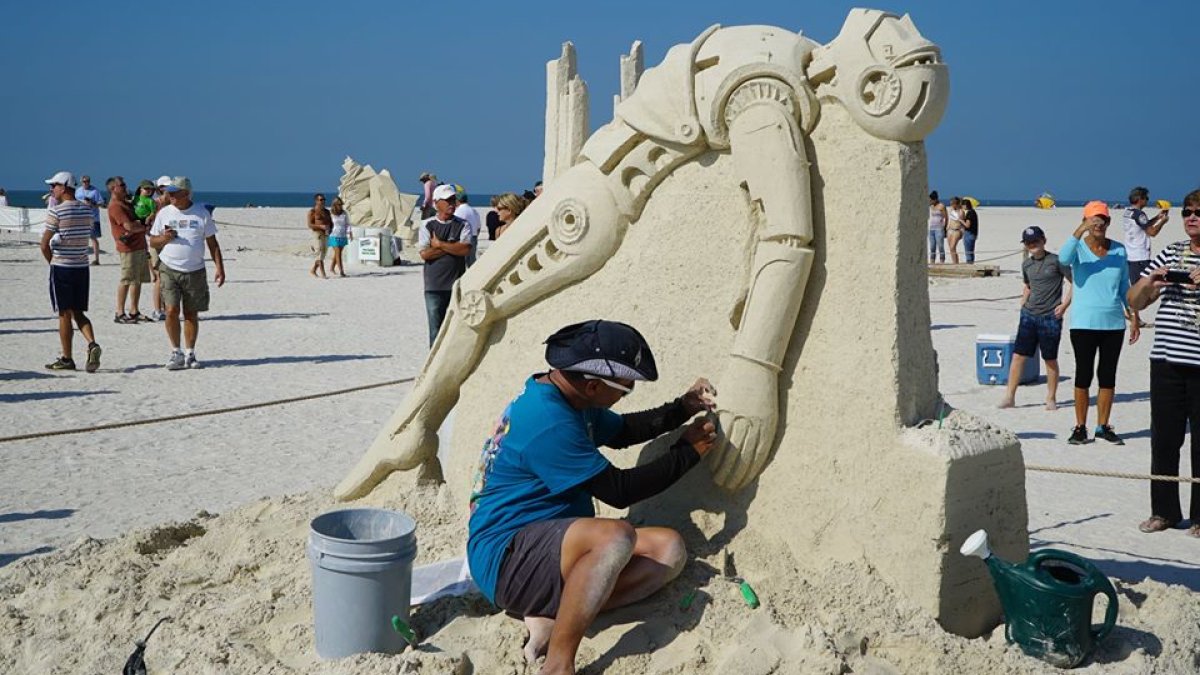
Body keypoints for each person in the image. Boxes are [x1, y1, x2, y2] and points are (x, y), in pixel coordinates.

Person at [466, 320, 717, 672]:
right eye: (625, 389)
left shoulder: (568, 396)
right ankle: (558, 662)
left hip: (552, 542)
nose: (626, 394)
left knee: (668, 550)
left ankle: (553, 615)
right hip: (506, 560)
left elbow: (624, 431)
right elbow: (620, 490)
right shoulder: (549, 420)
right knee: (614, 537)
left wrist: (683, 407)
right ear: (594, 385)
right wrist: (688, 452)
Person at [1126, 189, 1200, 537]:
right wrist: (1150, 283)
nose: (1191, 217)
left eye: (1198, 212)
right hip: (1167, 361)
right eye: (1187, 211)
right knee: (1165, 440)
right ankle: (1165, 512)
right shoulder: (1171, 252)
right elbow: (1135, 301)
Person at [1059, 201, 1140, 445]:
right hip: (1084, 322)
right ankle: (1080, 427)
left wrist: (1134, 314)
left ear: (1108, 222)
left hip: (1113, 323)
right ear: (1085, 220)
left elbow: (1125, 285)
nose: (1098, 223)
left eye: (1102, 219)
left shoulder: (1119, 250)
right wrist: (1080, 230)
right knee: (1083, 375)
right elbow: (1063, 258)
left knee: (1107, 376)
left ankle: (1103, 426)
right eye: (1093, 219)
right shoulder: (1078, 249)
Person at [148, 176, 225, 370]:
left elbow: (212, 243)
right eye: (169, 192)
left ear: (186, 193)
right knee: (172, 310)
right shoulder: (164, 213)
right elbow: (152, 241)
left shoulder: (201, 213)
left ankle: (190, 352)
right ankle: (176, 352)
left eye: (175, 192)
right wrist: (164, 238)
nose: (170, 196)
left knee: (191, 313)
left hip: (195, 270)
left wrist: (220, 268)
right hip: (169, 267)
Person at [999, 226, 1072, 410]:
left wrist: (1064, 306)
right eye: (1029, 242)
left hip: (1050, 317)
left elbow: (1075, 283)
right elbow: (1028, 285)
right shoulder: (1027, 265)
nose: (1033, 245)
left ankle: (1051, 398)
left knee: (1050, 359)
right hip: (1029, 316)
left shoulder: (1057, 261)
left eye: (1035, 241)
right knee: (1018, 357)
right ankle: (1009, 396)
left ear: (1043, 240)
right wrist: (1023, 302)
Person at [39, 171, 102, 372]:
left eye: (54, 185)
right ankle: (92, 344)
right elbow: (85, 234)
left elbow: (44, 244)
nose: (52, 189)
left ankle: (67, 358)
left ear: (64, 187)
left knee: (64, 314)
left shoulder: (56, 211)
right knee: (78, 311)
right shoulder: (86, 210)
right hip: (81, 267)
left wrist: (52, 262)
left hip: (63, 267)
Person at [418, 184, 470, 345]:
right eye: (447, 200)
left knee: (456, 327)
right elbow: (425, 254)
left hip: (457, 285)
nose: (451, 204)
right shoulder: (427, 225)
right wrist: (452, 245)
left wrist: (439, 245)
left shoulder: (463, 224)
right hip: (434, 286)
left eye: (453, 200)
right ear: (436, 203)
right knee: (435, 329)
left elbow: (465, 250)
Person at [106, 176, 150, 323]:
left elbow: (137, 220)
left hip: (139, 245)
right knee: (126, 279)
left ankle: (134, 310)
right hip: (128, 247)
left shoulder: (126, 203)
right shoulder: (115, 206)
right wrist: (143, 227)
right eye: (122, 185)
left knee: (137, 280)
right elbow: (129, 226)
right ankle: (119, 312)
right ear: (113, 189)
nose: (125, 187)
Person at [1122, 186, 1171, 289]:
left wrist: (1158, 217)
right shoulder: (1139, 214)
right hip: (1141, 257)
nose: (1148, 200)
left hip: (1131, 255)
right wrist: (1163, 222)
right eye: (1146, 198)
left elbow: (1144, 225)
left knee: (1136, 287)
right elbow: (1151, 232)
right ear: (1140, 199)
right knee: (1146, 287)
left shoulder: (1128, 212)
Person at [75, 174, 105, 266]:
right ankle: (79, 258)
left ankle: (96, 259)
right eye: (84, 181)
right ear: (81, 182)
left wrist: (92, 204)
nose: (86, 183)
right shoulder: (78, 191)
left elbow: (101, 203)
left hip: (93, 217)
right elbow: (73, 201)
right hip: (80, 217)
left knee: (93, 238)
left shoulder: (95, 191)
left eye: (87, 181)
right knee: (80, 239)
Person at [453, 190, 482, 267]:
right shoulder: (474, 211)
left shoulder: (457, 211)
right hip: (473, 237)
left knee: (461, 262)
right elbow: (478, 227)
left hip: (463, 238)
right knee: (472, 262)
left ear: (457, 201)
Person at [306, 193, 332, 278]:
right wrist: (320, 226)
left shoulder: (327, 211)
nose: (322, 201)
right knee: (320, 252)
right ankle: (323, 274)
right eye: (320, 200)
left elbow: (331, 223)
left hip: (326, 234)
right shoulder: (312, 211)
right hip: (317, 234)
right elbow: (310, 225)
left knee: (324, 253)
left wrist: (330, 229)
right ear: (316, 201)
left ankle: (313, 270)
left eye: (323, 199)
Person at [328, 197, 353, 277]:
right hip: (333, 235)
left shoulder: (344, 213)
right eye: (339, 204)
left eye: (341, 204)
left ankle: (332, 268)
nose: (340, 206)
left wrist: (350, 232)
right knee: (338, 254)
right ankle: (341, 271)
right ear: (334, 205)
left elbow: (347, 224)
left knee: (337, 254)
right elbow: (328, 224)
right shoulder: (330, 213)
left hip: (342, 235)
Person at [927, 190, 947, 264]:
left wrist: (944, 228)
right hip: (932, 228)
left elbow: (946, 217)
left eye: (931, 200)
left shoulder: (941, 206)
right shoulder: (931, 206)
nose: (930, 201)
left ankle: (942, 260)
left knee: (940, 245)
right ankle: (932, 261)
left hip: (939, 228)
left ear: (935, 199)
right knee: (932, 246)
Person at [946, 196, 964, 264]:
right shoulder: (951, 209)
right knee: (951, 249)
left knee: (952, 246)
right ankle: (954, 262)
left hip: (956, 230)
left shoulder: (961, 211)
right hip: (950, 230)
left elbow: (960, 220)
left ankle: (956, 263)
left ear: (956, 204)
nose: (951, 205)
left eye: (952, 203)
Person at [961, 198, 979, 263]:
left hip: (969, 233)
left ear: (965, 205)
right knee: (971, 251)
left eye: (962, 205)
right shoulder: (973, 212)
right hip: (973, 234)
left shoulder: (969, 213)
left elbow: (967, 225)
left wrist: (961, 221)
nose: (962, 207)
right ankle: (971, 263)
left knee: (968, 251)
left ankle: (969, 263)